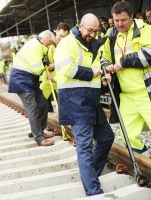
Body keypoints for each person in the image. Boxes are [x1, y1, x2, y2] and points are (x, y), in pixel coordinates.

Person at [54, 13, 114, 196]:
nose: (93, 34)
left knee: (106, 138)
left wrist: (102, 79)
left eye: (96, 31)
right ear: (80, 27)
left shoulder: (92, 45)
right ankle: (93, 191)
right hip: (75, 101)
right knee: (85, 147)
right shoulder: (67, 44)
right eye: (90, 30)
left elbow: (93, 73)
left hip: (91, 101)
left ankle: (89, 176)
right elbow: (67, 69)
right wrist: (93, 72)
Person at [101, 2, 151, 154]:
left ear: (131, 17)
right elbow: (103, 58)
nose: (119, 24)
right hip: (127, 97)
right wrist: (106, 67)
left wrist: (124, 61)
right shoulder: (111, 36)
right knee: (127, 136)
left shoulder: (144, 29)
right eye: (116, 21)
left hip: (148, 93)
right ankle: (146, 166)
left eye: (123, 20)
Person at [8, 30, 56, 147]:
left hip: (29, 80)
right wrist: (48, 66)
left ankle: (39, 131)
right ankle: (39, 138)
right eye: (48, 44)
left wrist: (44, 63)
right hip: (21, 80)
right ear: (42, 38)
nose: (49, 46)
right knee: (32, 108)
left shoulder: (38, 44)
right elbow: (36, 69)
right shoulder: (35, 47)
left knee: (43, 102)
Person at [40, 22, 70, 113]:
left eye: (65, 37)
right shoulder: (47, 43)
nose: (62, 39)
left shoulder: (68, 46)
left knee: (64, 103)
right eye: (60, 36)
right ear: (56, 32)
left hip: (60, 79)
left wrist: (55, 65)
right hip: (47, 78)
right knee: (40, 102)